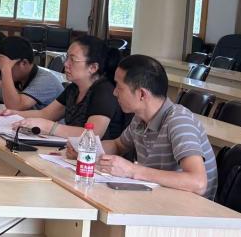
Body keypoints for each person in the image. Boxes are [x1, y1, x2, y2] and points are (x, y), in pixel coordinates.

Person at [88, 54, 218, 199]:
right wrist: (88, 150)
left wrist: (132, 170)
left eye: (119, 87)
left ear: (142, 94)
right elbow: (118, 145)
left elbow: (198, 183)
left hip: (188, 206)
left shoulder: (179, 121)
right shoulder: (139, 118)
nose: (114, 92)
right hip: (159, 198)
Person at [3, 35, 125, 139]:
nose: (65, 64)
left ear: (93, 67)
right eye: (66, 58)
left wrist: (49, 126)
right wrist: (14, 114)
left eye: (73, 60)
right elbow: (46, 114)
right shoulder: (73, 88)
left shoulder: (104, 91)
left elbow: (92, 134)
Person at [0, 36, 64, 111]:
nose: (2, 70)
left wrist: (6, 69)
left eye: (7, 65)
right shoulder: (20, 79)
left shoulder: (45, 80)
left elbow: (15, 107)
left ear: (24, 63)